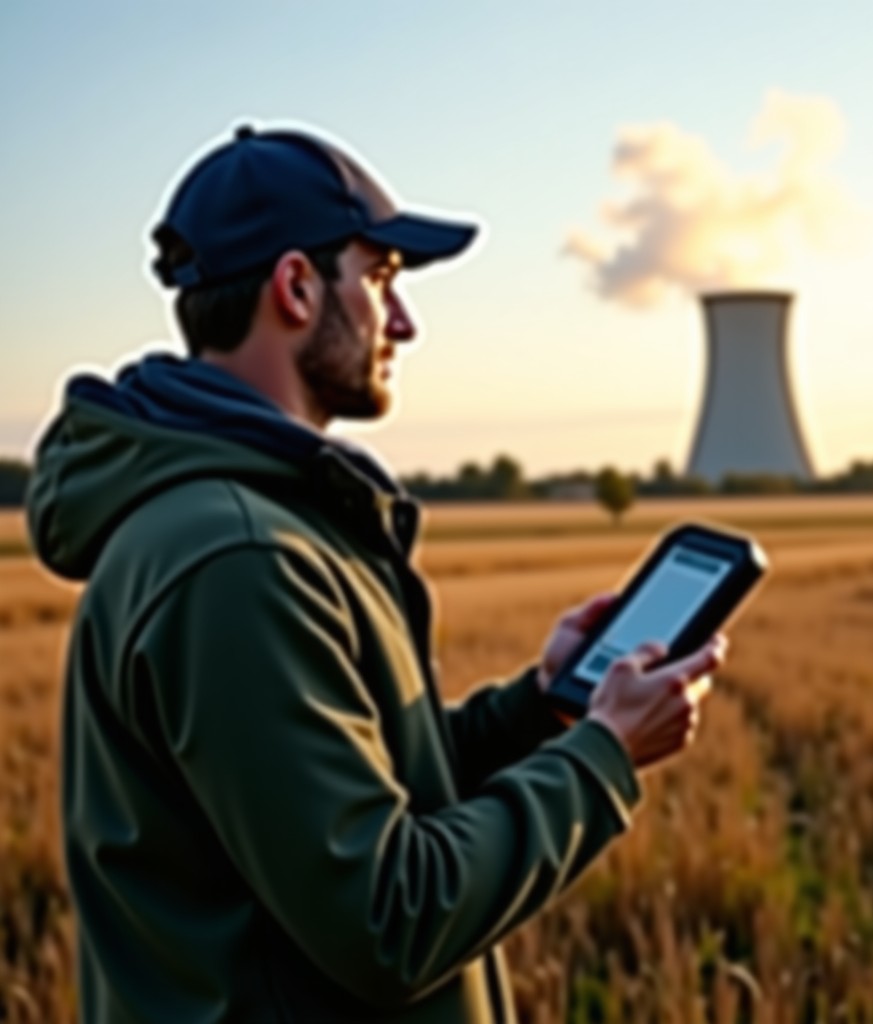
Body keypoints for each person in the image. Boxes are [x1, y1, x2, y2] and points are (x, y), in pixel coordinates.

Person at [26, 123, 726, 1024]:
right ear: (296, 287)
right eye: (383, 279)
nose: (403, 322)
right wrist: (603, 759)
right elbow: (388, 921)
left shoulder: (254, 523)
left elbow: (351, 792)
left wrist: (540, 709)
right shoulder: (237, 558)